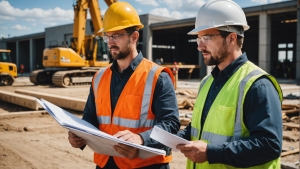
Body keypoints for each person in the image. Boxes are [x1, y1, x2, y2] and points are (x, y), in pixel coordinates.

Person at [68, 2, 180, 169]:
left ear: (134, 37)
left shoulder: (157, 76)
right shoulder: (99, 77)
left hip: (145, 165)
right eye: (108, 36)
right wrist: (80, 136)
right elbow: (90, 117)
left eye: (117, 35)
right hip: (106, 163)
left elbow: (171, 124)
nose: (111, 42)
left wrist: (141, 139)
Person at [176, 0, 283, 168]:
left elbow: (269, 145)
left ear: (232, 38)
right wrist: (177, 137)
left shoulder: (258, 85)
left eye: (206, 37)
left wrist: (212, 152)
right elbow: (200, 127)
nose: (200, 46)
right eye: (198, 39)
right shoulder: (207, 82)